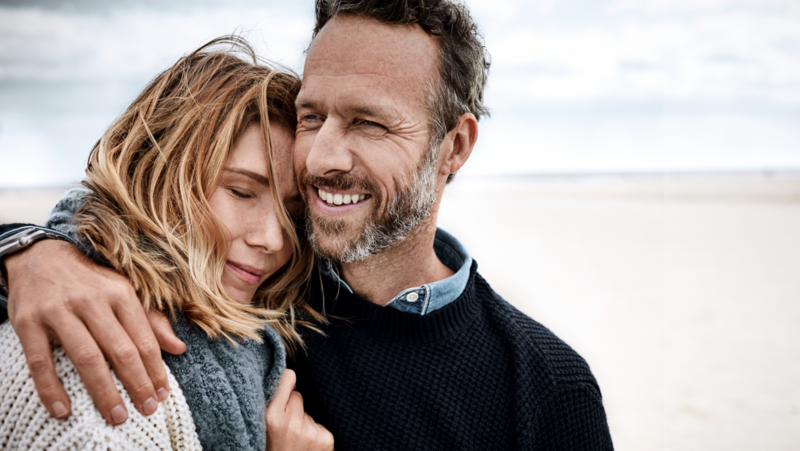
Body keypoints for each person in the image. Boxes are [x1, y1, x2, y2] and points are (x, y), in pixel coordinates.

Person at [1, 1, 614, 449]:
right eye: (312, 115)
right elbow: (133, 226)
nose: (322, 157)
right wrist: (32, 252)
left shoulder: (548, 388)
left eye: (370, 123)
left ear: (454, 146)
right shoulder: (245, 289)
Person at [0, 37, 332, 450]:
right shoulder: (91, 358)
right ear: (158, 173)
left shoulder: (272, 321)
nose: (271, 240)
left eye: (294, 214)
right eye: (242, 192)